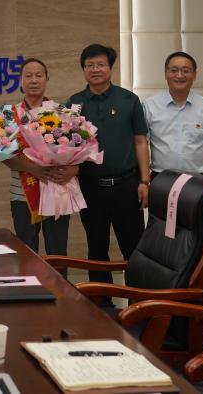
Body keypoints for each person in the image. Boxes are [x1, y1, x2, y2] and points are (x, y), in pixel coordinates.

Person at [68, 43, 151, 285]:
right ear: (83, 70)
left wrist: (144, 181)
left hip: (126, 186)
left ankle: (139, 299)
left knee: (133, 247)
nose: (95, 69)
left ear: (110, 68)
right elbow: (68, 147)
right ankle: (101, 300)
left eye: (101, 64)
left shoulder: (129, 99)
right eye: (90, 65)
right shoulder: (74, 104)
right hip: (90, 187)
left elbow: (140, 141)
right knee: (96, 248)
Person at [3, 58, 72, 255]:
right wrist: (32, 169)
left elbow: (76, 150)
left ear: (46, 79)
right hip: (21, 194)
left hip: (56, 189)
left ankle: (57, 278)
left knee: (57, 252)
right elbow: (2, 155)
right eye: (28, 76)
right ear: (20, 80)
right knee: (26, 254)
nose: (34, 80)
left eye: (39, 76)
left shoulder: (61, 112)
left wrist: (72, 168)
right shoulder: (9, 115)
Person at [143, 51, 203, 179]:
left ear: (194, 75)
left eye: (186, 71)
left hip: (199, 179)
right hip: (162, 178)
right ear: (165, 74)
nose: (179, 75)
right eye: (174, 70)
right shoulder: (149, 106)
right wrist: (144, 181)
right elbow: (142, 145)